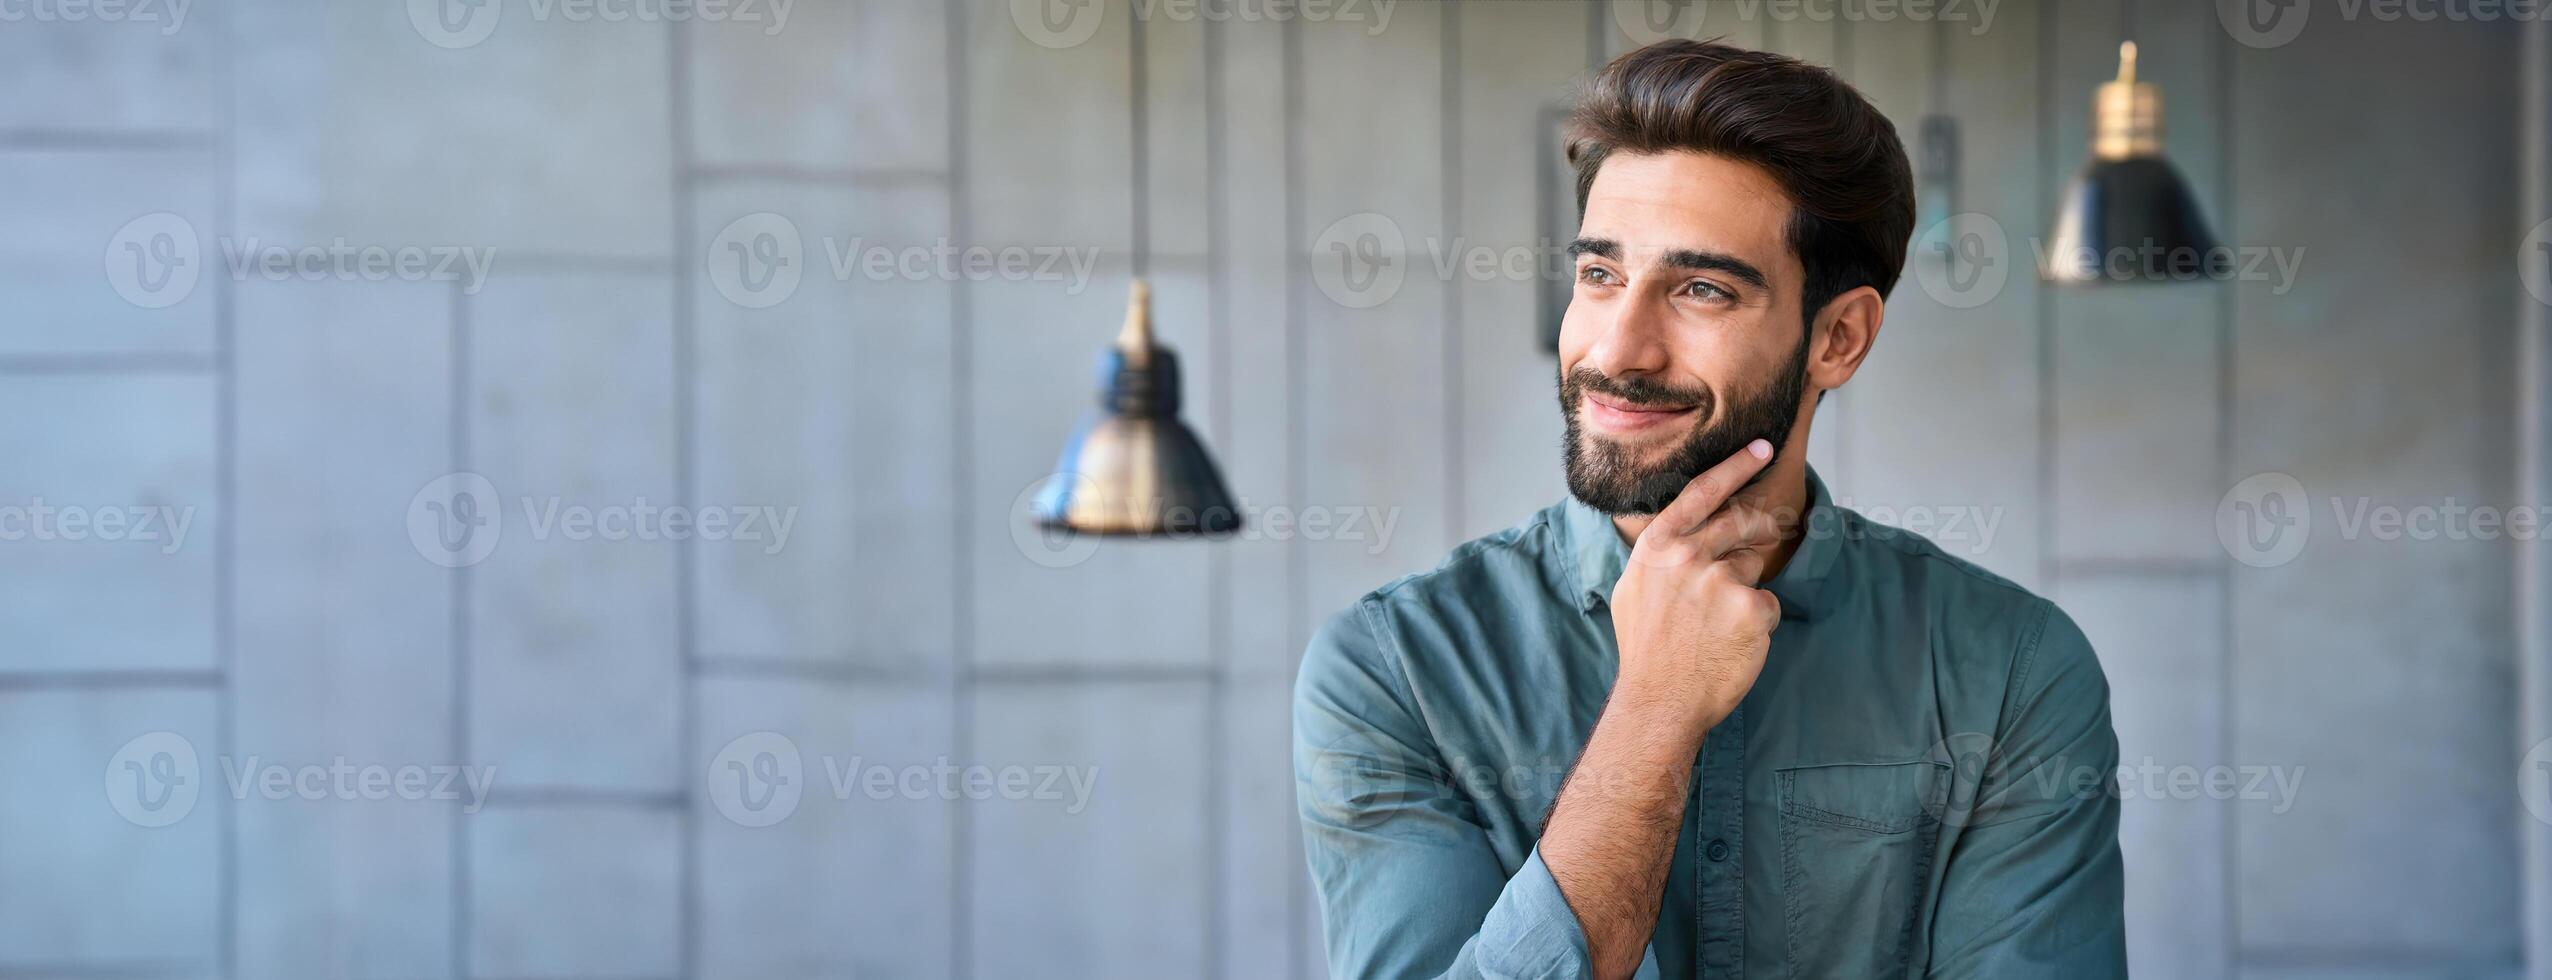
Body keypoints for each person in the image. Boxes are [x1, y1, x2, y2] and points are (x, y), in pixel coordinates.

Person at [1294, 39, 2125, 979]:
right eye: (1600, 275)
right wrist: (1655, 707)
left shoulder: (2011, 669)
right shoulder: (1395, 671)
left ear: (1839, 338)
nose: (1620, 349)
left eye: (1700, 289)